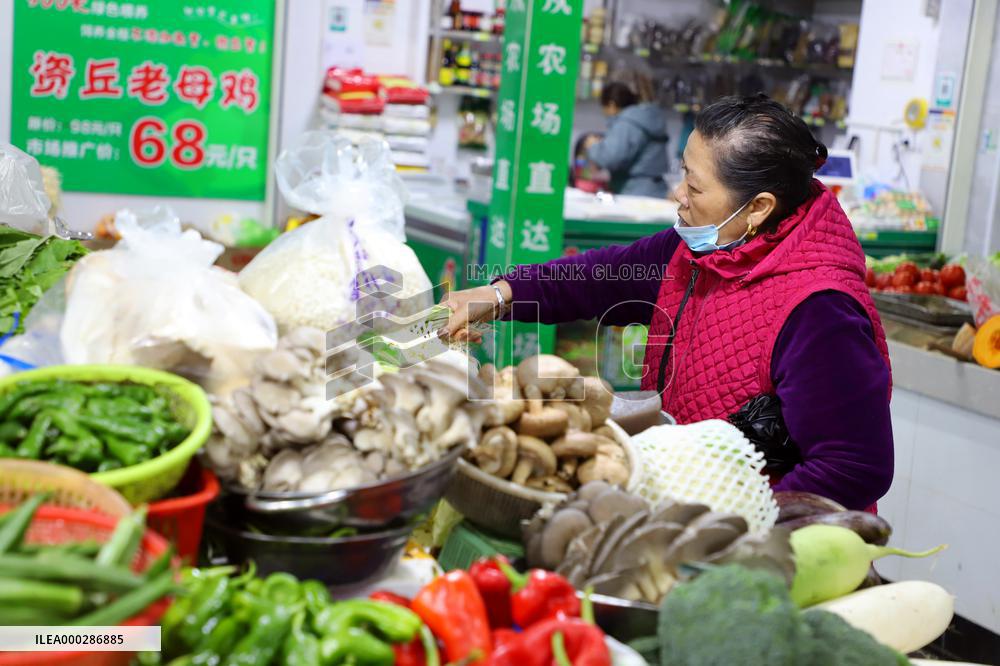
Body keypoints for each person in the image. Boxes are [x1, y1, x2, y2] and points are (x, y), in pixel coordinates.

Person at [442, 94, 893, 511]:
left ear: (758, 207)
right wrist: (497, 295)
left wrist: (738, 526)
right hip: (676, 513)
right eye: (683, 174)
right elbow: (597, 277)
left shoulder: (820, 309)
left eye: (694, 187)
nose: (679, 195)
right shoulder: (695, 251)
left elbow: (853, 467)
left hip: (763, 548)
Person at [584, 82, 669, 198]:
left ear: (611, 105)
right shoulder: (644, 118)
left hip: (636, 192)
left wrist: (593, 146)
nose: (604, 114)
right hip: (655, 188)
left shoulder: (627, 123)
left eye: (604, 108)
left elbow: (611, 158)